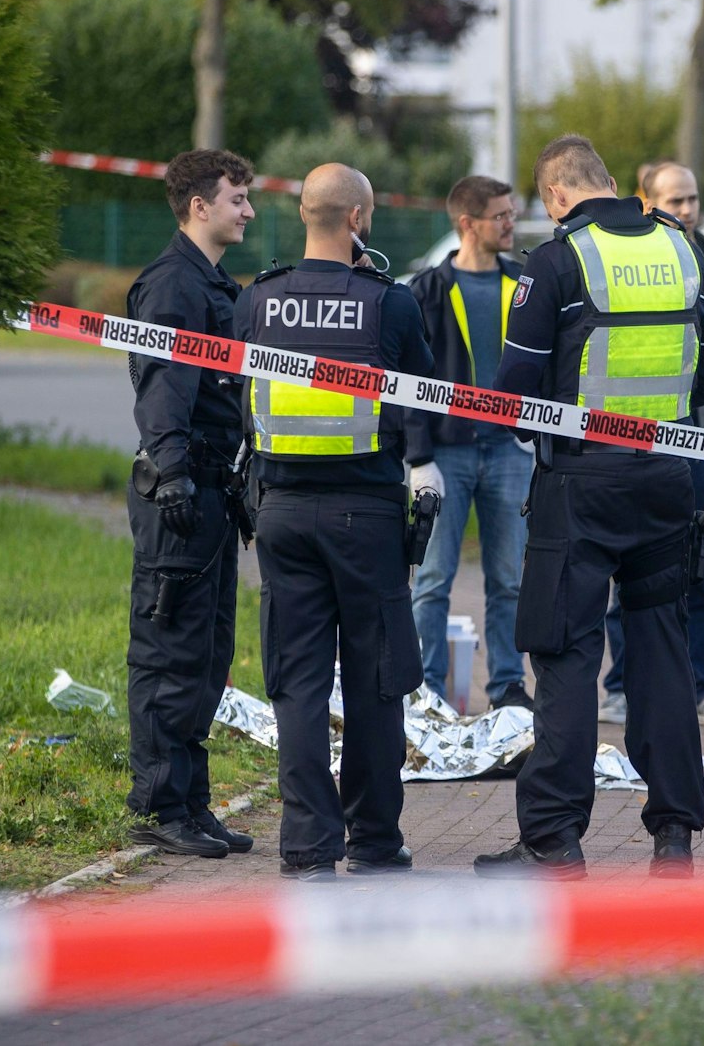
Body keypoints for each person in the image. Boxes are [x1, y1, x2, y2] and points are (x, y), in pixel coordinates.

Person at [474, 135, 704, 880]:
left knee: (564, 656)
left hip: (578, 488)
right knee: (661, 656)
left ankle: (554, 841)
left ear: (553, 196)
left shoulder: (555, 262)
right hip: (666, 480)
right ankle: (675, 835)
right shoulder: (683, 251)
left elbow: (515, 393)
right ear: (614, 183)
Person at [234, 163, 436, 881]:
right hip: (366, 515)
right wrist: (422, 465)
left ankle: (308, 844)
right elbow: (425, 401)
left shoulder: (257, 299)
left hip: (281, 512)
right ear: (358, 218)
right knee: (376, 681)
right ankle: (375, 839)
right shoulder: (391, 304)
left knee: (300, 683)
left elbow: (239, 398)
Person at [122, 148, 257, 859]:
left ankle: (189, 801)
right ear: (200, 205)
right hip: (178, 489)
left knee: (207, 653)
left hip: (209, 489)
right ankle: (156, 804)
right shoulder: (174, 285)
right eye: (238, 197)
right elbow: (163, 383)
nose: (249, 210)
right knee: (168, 651)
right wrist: (173, 470)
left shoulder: (211, 282)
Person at [597, 160, 704, 730]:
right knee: (630, 564)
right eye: (676, 200)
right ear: (648, 201)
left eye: (693, 199)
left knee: (703, 570)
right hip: (641, 435)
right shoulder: (630, 258)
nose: (687, 210)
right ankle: (620, 686)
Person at [405, 175, 534, 712]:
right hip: (448, 454)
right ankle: (426, 691)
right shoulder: (426, 290)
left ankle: (507, 686)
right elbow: (407, 380)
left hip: (510, 451)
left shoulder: (524, 283)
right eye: (501, 216)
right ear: (468, 223)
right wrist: (419, 458)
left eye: (511, 213)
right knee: (433, 578)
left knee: (509, 578)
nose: (511, 224)